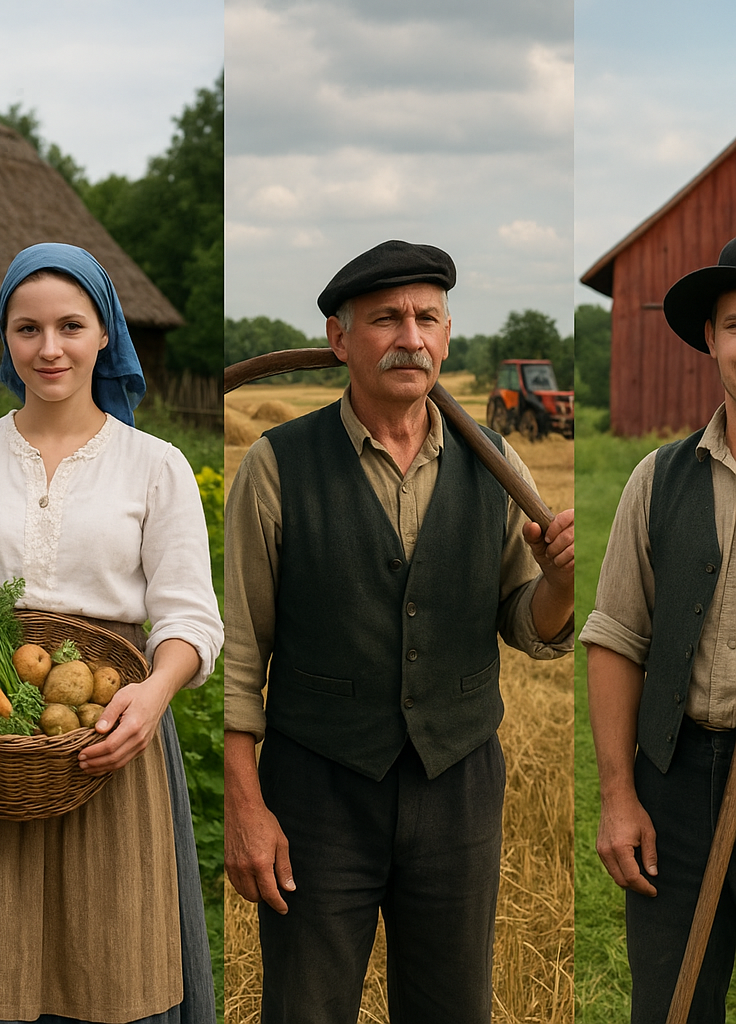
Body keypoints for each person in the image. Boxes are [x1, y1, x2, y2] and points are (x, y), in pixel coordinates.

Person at [224, 239, 575, 1023]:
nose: (410, 336)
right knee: (306, 1009)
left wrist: (557, 584)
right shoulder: (275, 467)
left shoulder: (496, 465)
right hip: (317, 792)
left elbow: (528, 625)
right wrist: (246, 807)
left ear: (447, 336)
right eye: (386, 318)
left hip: (458, 787)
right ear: (339, 338)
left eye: (427, 318)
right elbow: (240, 657)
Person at [0, 242, 224, 1024]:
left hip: (108, 738)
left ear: (105, 332)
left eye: (70, 326)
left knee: (112, 961)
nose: (49, 348)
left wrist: (153, 696)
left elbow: (188, 617)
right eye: (27, 328)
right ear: (5, 338)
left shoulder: (156, 465)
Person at [582, 238, 736, 1024]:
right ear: (710, 337)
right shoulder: (658, 479)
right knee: (671, 1005)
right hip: (678, 783)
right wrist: (618, 796)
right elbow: (616, 637)